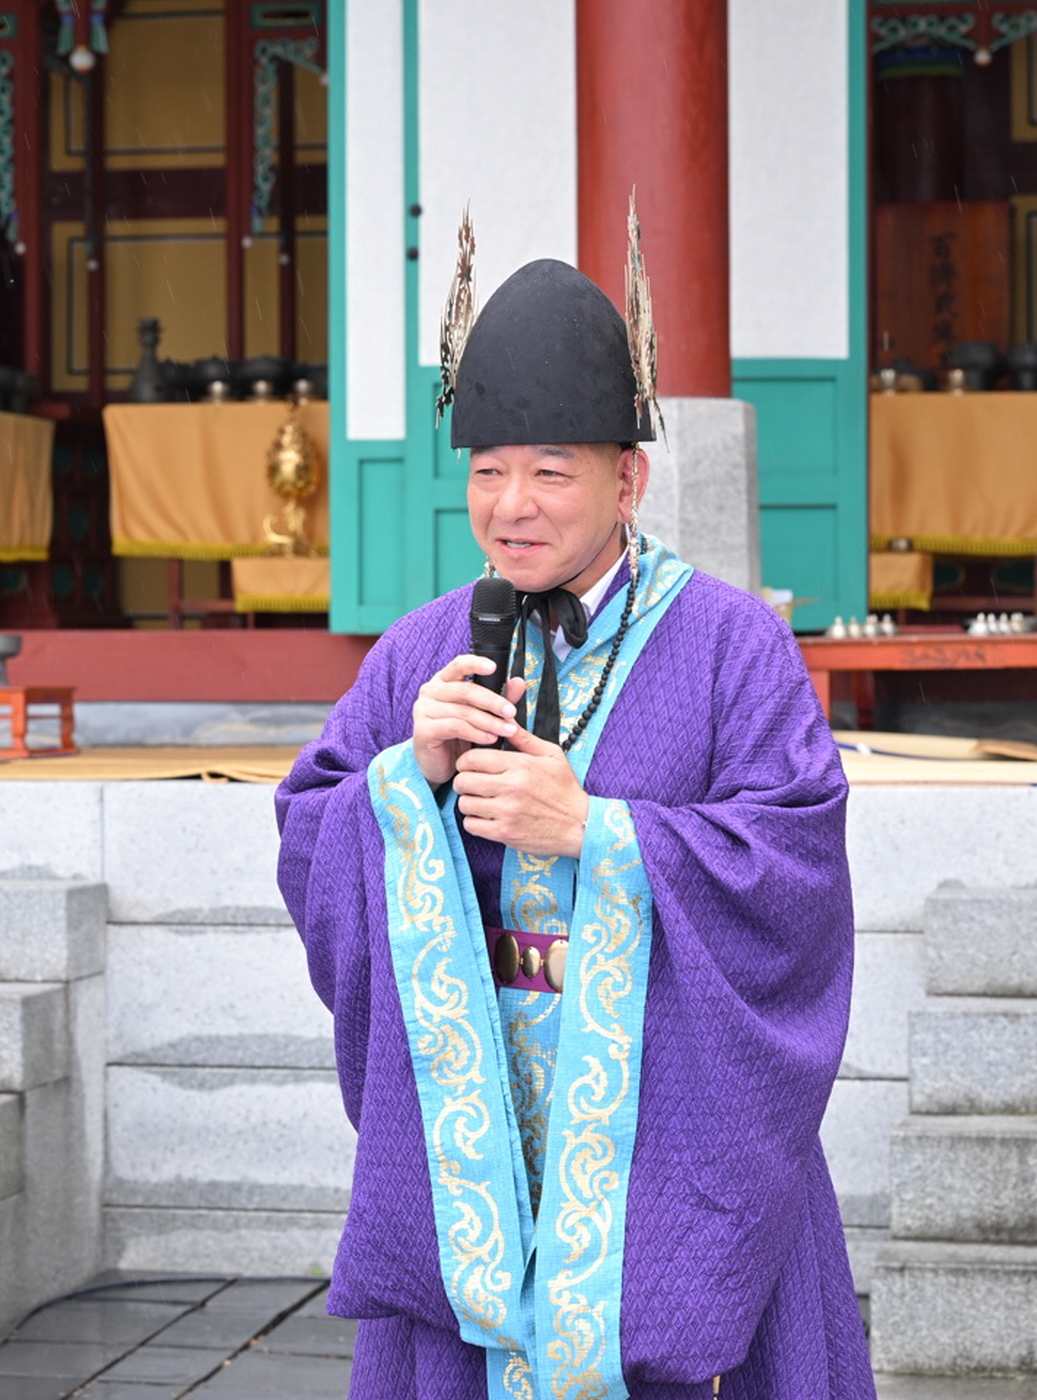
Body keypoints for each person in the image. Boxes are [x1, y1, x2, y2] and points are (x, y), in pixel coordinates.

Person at [274, 234, 873, 1400]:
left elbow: (796, 858)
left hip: (670, 1117)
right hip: (476, 1121)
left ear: (628, 480)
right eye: (488, 471)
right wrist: (407, 779)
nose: (512, 506)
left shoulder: (734, 644)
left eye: (551, 472)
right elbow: (310, 827)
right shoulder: (420, 648)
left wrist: (601, 831)